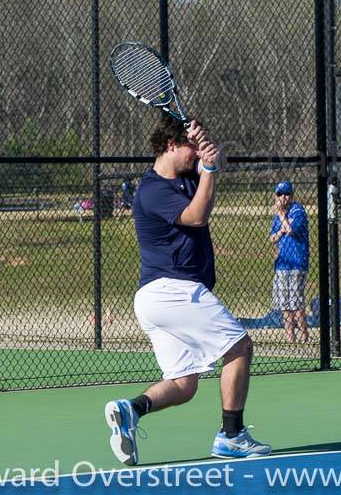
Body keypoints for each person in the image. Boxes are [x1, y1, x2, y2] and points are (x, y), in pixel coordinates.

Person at [104, 118, 270, 466]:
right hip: (172, 290)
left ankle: (130, 410)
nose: (196, 154)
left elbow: (212, 168)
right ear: (169, 145)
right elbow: (196, 216)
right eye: (190, 147)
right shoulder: (152, 190)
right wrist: (207, 164)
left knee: (183, 384)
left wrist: (208, 149)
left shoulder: (186, 176)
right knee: (240, 347)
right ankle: (231, 435)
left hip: (157, 297)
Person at [270, 181, 310, 342]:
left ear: (292, 195)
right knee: (284, 302)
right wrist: (281, 227)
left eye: (286, 193)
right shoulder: (277, 216)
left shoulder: (297, 210)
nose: (283, 197)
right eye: (280, 194)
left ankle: (303, 334)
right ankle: (289, 335)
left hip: (297, 262)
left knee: (296, 300)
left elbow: (291, 230)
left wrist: (282, 216)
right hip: (282, 263)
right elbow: (272, 238)